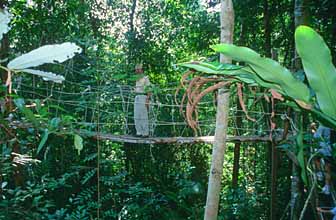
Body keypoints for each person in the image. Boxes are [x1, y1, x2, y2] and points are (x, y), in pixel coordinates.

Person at [134, 63, 151, 137]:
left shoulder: (145, 78)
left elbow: (149, 90)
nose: (137, 70)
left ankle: (145, 133)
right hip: (137, 97)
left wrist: (147, 100)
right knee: (136, 115)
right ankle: (139, 132)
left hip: (143, 97)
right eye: (136, 69)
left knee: (143, 115)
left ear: (142, 70)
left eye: (138, 69)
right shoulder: (137, 79)